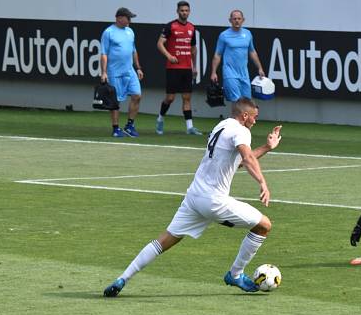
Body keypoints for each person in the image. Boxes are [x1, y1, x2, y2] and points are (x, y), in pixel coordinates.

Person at [103, 98, 282, 296]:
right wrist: (262, 183)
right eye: (255, 117)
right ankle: (236, 274)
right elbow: (246, 158)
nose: (255, 122)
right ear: (245, 115)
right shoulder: (242, 131)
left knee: (164, 240)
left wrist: (266, 147)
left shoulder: (221, 126)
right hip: (214, 201)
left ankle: (122, 279)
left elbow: (237, 162)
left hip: (194, 197)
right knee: (263, 225)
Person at [155, 0, 202, 136]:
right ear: (177, 11)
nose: (184, 13)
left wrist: (194, 66)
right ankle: (160, 119)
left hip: (187, 68)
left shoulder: (192, 27)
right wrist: (169, 56)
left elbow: (193, 49)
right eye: (182, 10)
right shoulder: (170, 26)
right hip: (173, 68)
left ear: (189, 12)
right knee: (170, 98)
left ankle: (189, 127)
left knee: (187, 97)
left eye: (186, 10)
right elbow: (160, 44)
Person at [100, 7, 144, 138]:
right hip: (114, 72)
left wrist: (138, 68)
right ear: (119, 18)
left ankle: (129, 126)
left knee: (137, 95)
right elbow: (104, 53)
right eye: (128, 17)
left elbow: (133, 51)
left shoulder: (130, 31)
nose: (130, 20)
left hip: (130, 71)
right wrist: (104, 72)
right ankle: (115, 128)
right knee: (115, 101)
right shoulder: (108, 32)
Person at [210, 9, 265, 102]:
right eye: (234, 18)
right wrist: (213, 72)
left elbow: (252, 52)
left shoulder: (247, 34)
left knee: (246, 101)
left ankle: (241, 117)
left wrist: (260, 68)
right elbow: (218, 55)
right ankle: (235, 117)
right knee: (236, 101)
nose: (237, 20)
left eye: (239, 18)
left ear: (243, 20)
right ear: (230, 20)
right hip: (230, 73)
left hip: (244, 74)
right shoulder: (224, 35)